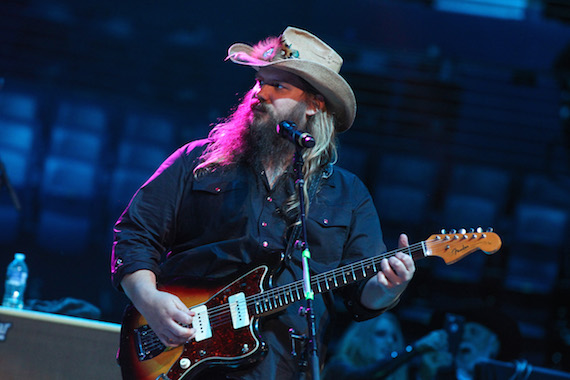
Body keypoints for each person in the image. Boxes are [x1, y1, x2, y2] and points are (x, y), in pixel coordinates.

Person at [111, 26, 416, 380]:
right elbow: (135, 234)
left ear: (315, 105)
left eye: (278, 86)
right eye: (259, 82)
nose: (259, 93)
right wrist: (148, 298)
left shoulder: (347, 195)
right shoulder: (198, 162)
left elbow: (359, 296)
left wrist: (388, 288)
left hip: (285, 366)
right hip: (185, 358)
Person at [322, 312, 451, 380]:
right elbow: (365, 376)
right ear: (358, 338)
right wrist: (415, 348)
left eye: (394, 337)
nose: (390, 342)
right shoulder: (338, 368)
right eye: (380, 334)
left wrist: (426, 375)